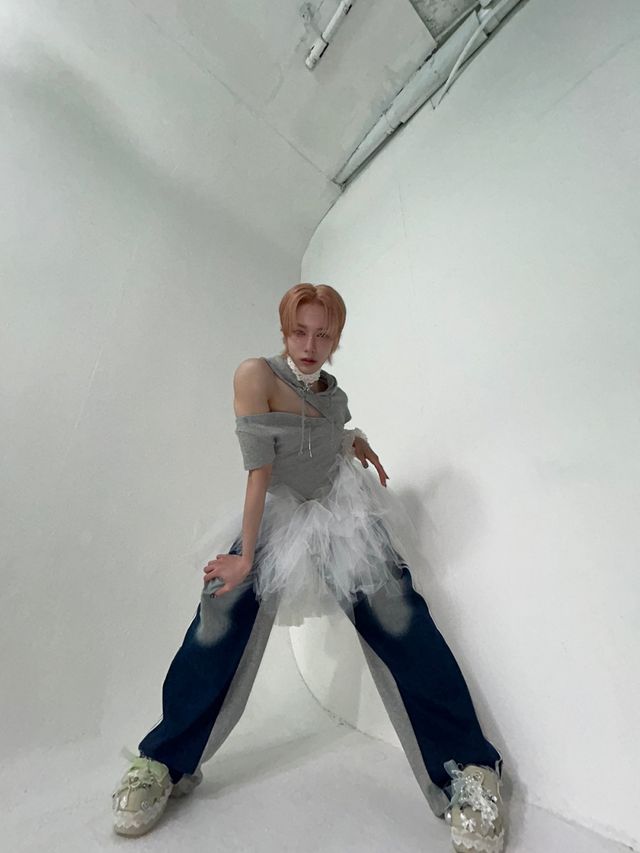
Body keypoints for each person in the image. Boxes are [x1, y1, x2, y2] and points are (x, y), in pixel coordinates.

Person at [111, 283, 506, 853]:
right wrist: (245, 557)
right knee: (220, 610)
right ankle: (162, 762)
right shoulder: (256, 376)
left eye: (323, 335)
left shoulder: (331, 391)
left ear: (336, 338)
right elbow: (259, 473)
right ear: (284, 329)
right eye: (300, 331)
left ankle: (469, 767)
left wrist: (353, 443)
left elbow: (325, 430)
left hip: (340, 507)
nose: (310, 345)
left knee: (398, 614)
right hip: (277, 512)